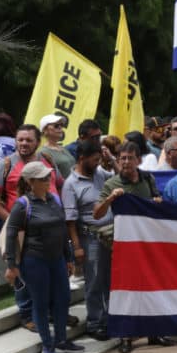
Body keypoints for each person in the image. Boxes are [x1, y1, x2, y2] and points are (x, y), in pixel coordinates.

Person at [94, 141, 174, 353]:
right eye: (122, 159)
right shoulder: (111, 184)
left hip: (148, 246)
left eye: (130, 158)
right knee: (126, 292)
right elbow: (97, 213)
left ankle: (154, 333)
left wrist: (158, 201)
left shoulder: (148, 179)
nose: (126, 162)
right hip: (124, 248)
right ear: (117, 161)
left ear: (139, 160)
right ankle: (126, 336)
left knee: (152, 288)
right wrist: (111, 199)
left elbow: (157, 200)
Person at [1, 161, 84, 353]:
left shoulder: (54, 199)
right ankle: (48, 345)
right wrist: (12, 265)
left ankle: (62, 340)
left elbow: (62, 230)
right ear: (30, 182)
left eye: (48, 177)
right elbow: (11, 234)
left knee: (63, 298)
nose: (48, 180)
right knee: (41, 302)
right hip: (34, 261)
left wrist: (68, 257)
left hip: (57, 260)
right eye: (43, 178)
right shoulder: (23, 204)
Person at [0, 124, 63, 332]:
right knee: (22, 272)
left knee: (50, 272)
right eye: (20, 140)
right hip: (22, 232)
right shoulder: (6, 165)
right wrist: (12, 221)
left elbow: (59, 184)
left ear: (38, 142)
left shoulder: (46, 161)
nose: (24, 144)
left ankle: (54, 312)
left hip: (50, 229)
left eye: (29, 140)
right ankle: (26, 314)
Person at [62, 139, 114, 341]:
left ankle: (111, 318)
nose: (98, 163)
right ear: (82, 158)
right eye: (94, 160)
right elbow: (70, 220)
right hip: (89, 237)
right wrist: (76, 247)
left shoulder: (100, 173)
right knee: (94, 281)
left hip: (110, 234)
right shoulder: (70, 185)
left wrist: (111, 159)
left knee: (110, 279)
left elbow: (122, 177)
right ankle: (95, 323)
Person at [37, 114, 75, 178]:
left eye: (61, 125)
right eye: (56, 126)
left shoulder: (63, 148)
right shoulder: (43, 152)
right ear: (45, 130)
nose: (60, 128)